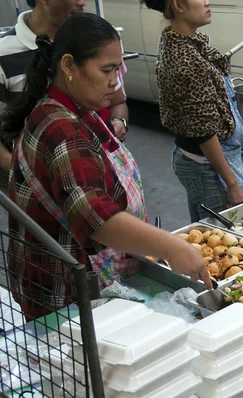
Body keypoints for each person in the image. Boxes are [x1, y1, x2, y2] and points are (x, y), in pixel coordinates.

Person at [1, 13, 211, 319]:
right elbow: (95, 218)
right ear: (69, 66)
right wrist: (171, 247)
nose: (115, 82)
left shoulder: (77, 110)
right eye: (106, 70)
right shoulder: (59, 128)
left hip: (75, 280)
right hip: (64, 297)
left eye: (118, 69)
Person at [0, 0, 130, 187]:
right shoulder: (3, 54)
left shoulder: (99, 42)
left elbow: (118, 103)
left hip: (101, 178)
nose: (82, 2)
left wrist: (119, 123)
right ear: (67, 65)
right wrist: (26, 172)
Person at [141, 0, 243, 222]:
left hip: (200, 161)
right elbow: (203, 132)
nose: (208, 1)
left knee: (205, 229)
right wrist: (232, 184)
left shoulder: (183, 41)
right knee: (219, 236)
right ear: (179, 5)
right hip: (207, 166)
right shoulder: (185, 60)